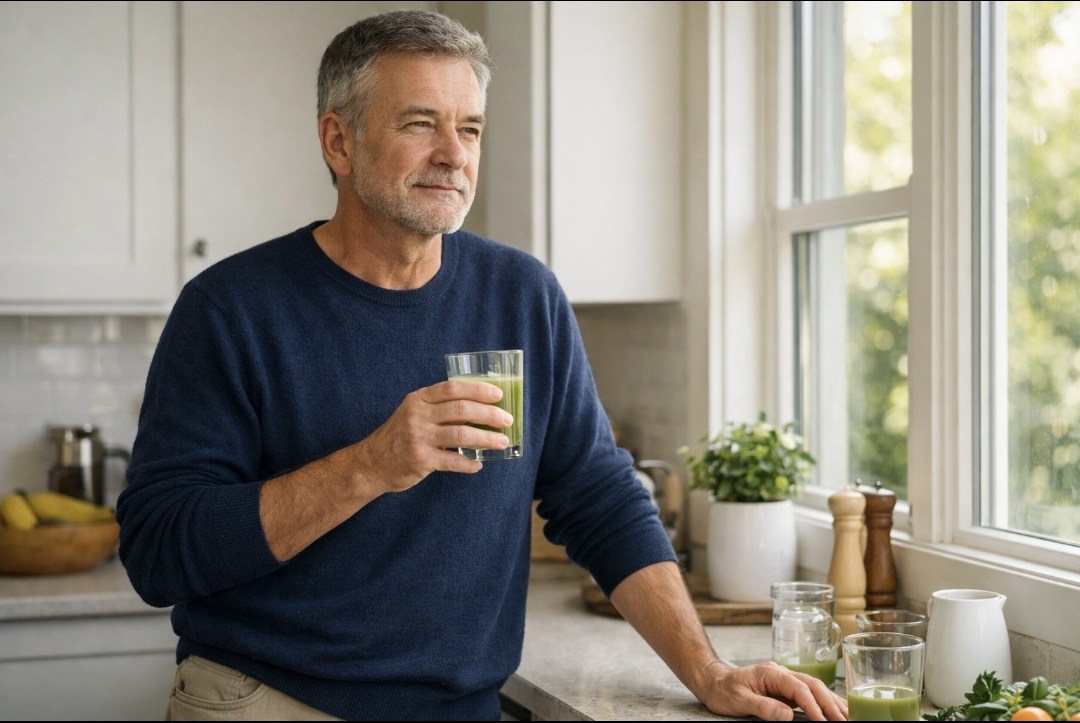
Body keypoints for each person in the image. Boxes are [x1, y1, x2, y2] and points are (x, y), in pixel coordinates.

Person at [117, 10, 847, 722]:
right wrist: (369, 465)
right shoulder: (230, 309)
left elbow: (599, 497)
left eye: (469, 128)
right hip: (271, 698)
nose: (454, 154)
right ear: (338, 142)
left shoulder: (521, 294)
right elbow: (158, 553)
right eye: (419, 123)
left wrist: (710, 670)